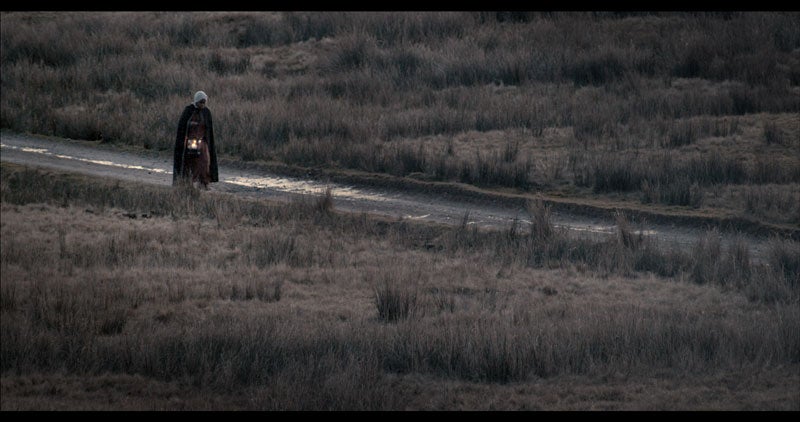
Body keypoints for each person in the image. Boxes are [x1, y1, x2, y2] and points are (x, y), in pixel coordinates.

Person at [173, 90, 219, 189]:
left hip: (202, 142)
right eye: (201, 102)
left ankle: (204, 183)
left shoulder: (206, 112)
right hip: (189, 142)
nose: (202, 104)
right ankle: (188, 182)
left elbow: (208, 129)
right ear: (196, 101)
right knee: (191, 163)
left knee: (205, 162)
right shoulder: (189, 111)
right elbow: (183, 127)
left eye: (204, 102)